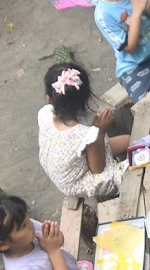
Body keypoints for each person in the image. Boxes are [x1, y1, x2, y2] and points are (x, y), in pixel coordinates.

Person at [38, 63, 130, 201]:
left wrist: (95, 133)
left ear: (49, 98)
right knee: (126, 174)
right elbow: (98, 169)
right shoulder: (84, 135)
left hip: (64, 166)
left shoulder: (44, 113)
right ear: (85, 99)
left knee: (127, 140)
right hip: (77, 182)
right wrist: (100, 131)